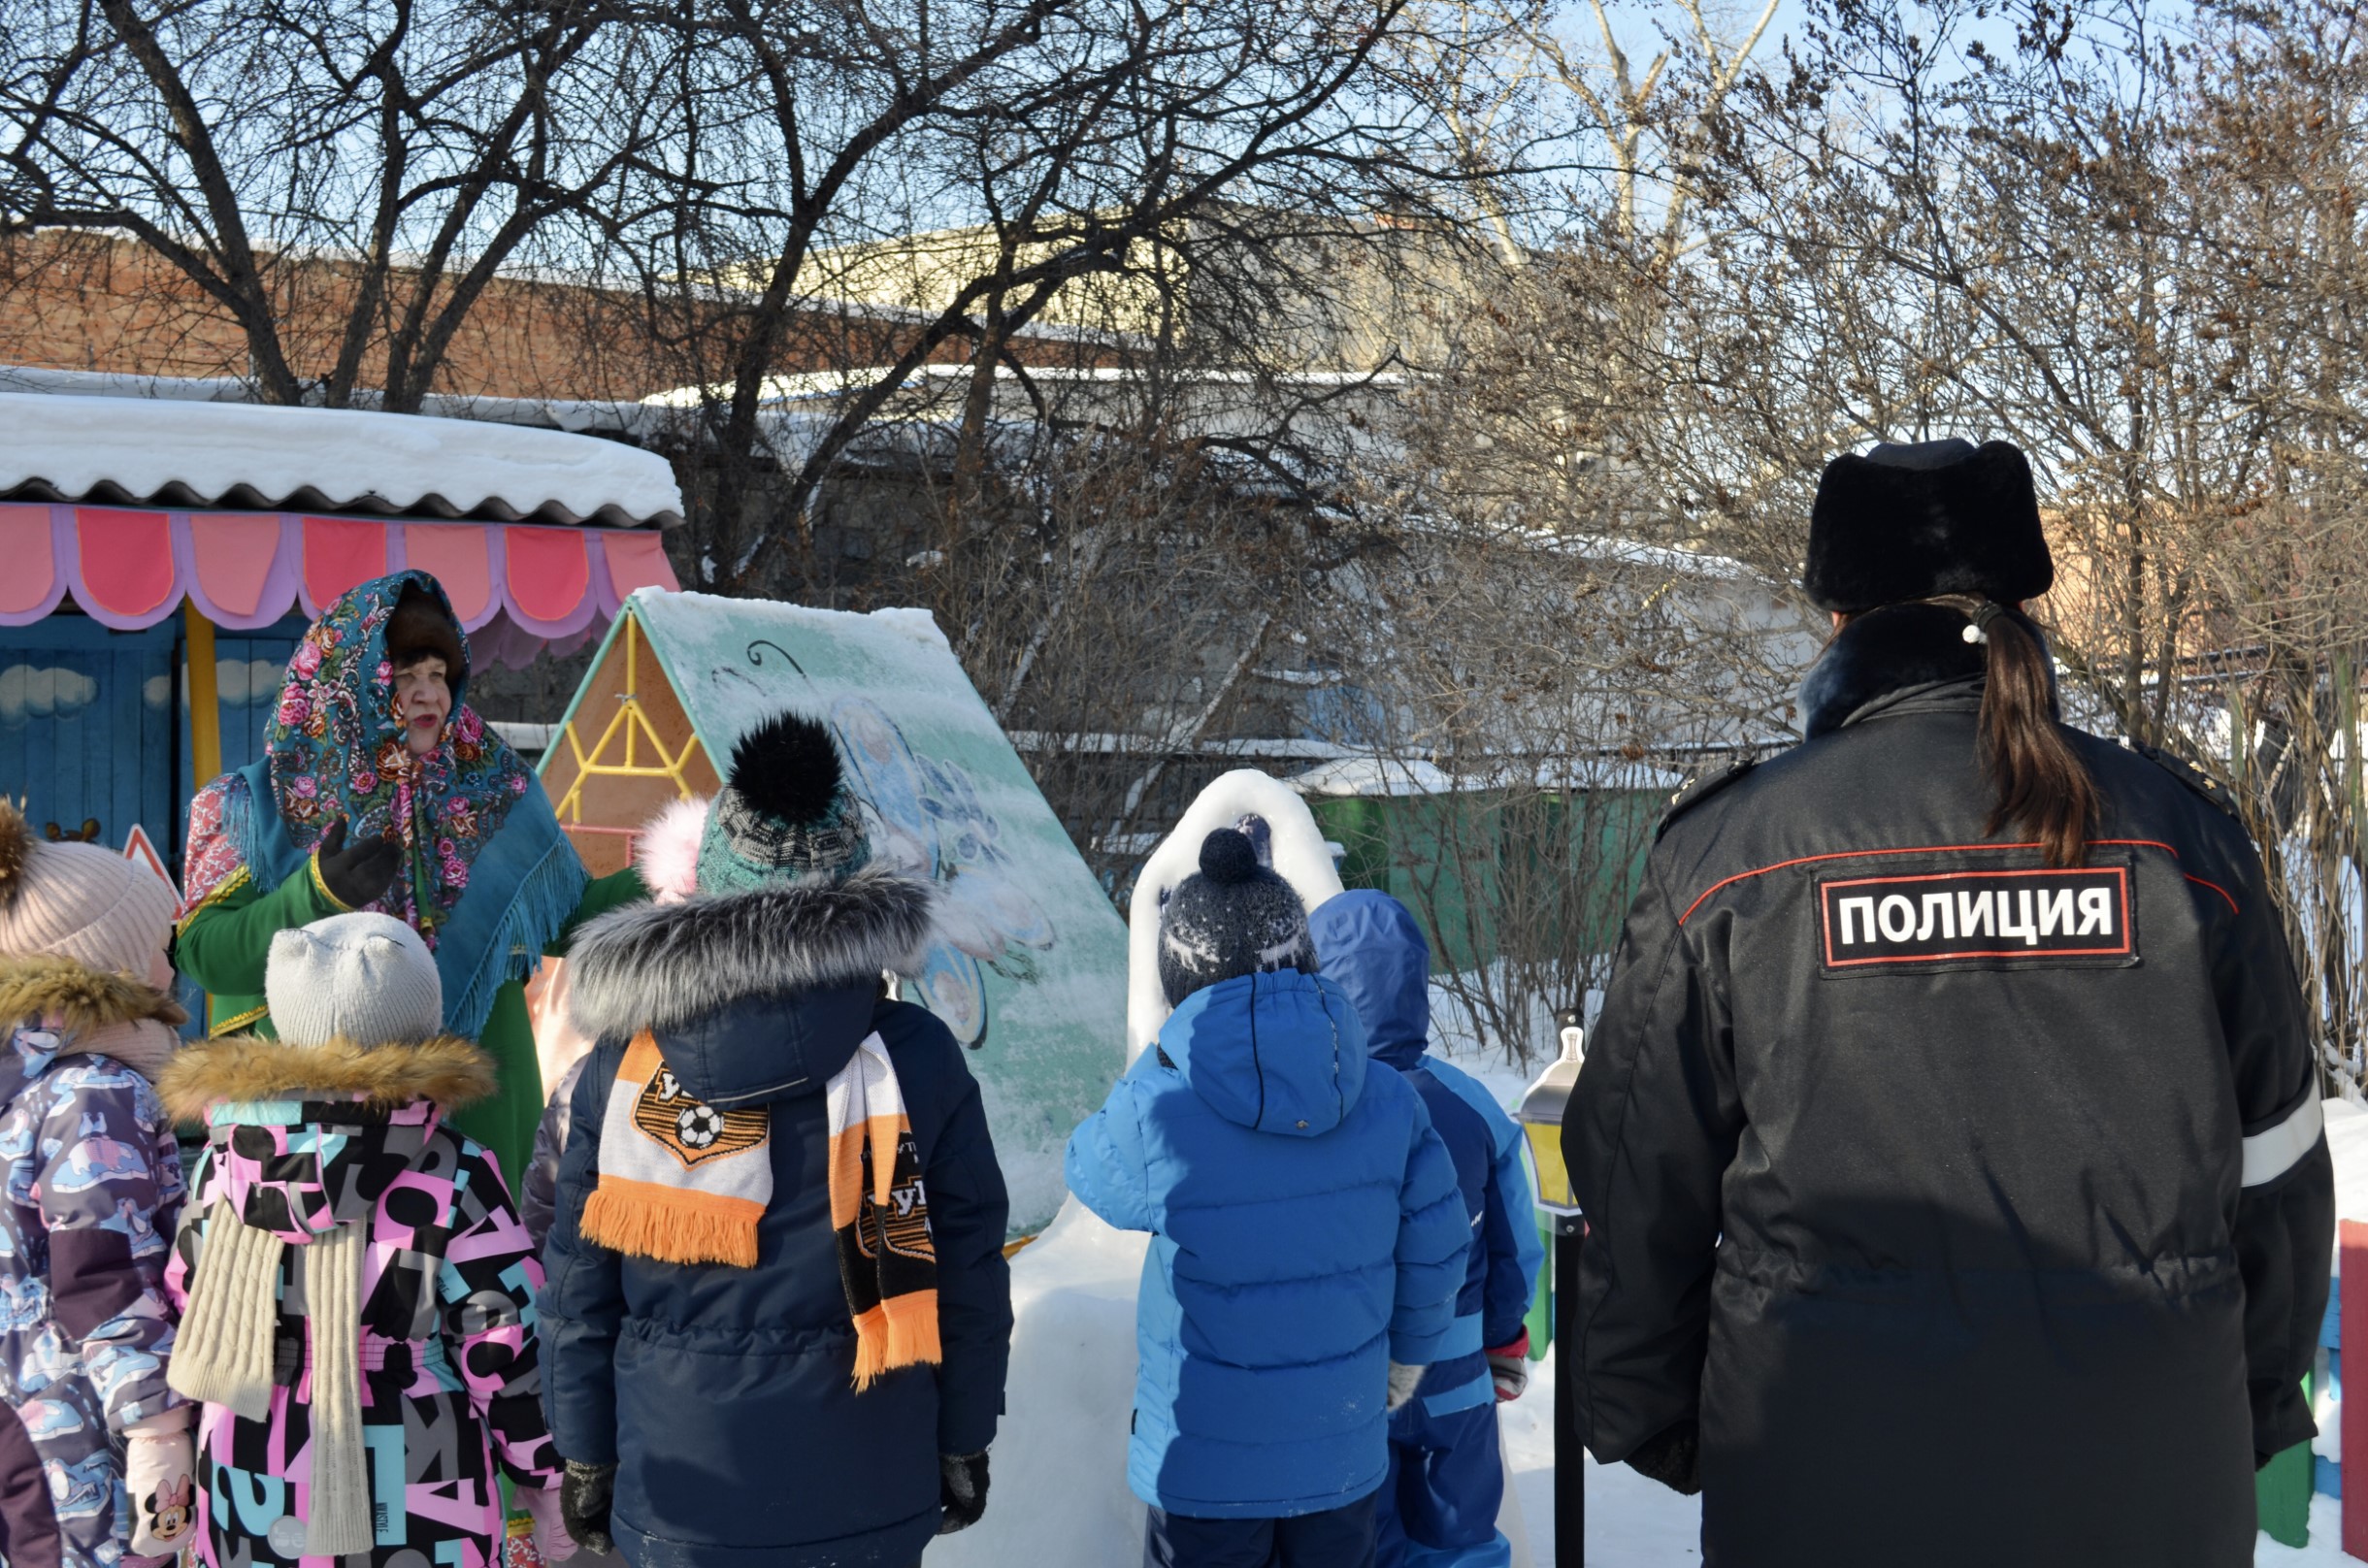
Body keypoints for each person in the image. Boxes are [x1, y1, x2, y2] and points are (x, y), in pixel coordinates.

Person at [1564, 438, 2334, 1567]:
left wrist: (1655, 1410)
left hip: (1826, 1470)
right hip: (2149, 1468)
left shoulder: (1734, 853)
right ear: (2023, 606)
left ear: (1839, 619)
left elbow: (1639, 1179)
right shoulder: (2183, 836)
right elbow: (2280, 1169)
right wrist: (2242, 1402)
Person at [541, 709, 1012, 1568]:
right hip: (870, 1479)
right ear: (855, 896)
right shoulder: (916, 1059)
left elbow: (580, 1283)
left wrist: (585, 1454)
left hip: (681, 1487)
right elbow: (969, 1272)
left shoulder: (628, 1063)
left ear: (710, 888)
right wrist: (963, 1438)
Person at [1066, 828, 1471, 1568]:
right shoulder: (1386, 1097)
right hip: (1339, 1445)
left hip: (1203, 1462)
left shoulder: (1160, 1106)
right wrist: (1403, 1365)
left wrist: (1163, 1054)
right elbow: (1439, 1251)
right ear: (1303, 957)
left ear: (1180, 980)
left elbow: (1091, 1173)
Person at [176, 571, 647, 1183]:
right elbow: (204, 954)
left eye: (439, 674)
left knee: (479, 1249)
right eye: (403, 676)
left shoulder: (495, 786)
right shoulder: (249, 806)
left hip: (477, 1112)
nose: (430, 695)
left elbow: (570, 917)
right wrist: (313, 895)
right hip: (319, 1122)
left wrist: (676, 865)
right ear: (346, 683)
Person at [159, 912, 568, 1568]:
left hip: (248, 1462)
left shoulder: (222, 1162)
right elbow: (503, 1339)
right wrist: (544, 1474)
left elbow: (187, 1294)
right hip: (421, 1480)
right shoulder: (456, 1170)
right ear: (422, 1026)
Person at [1310, 891, 1542, 1568]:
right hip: (1457, 1369)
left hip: (1352, 1374)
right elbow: (1512, 1241)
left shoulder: (1313, 1107)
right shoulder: (1471, 1105)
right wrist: (1504, 1337)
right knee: (1460, 1536)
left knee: (1364, 1540)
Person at [0, 799, 195, 1568]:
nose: (173, 955)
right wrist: (157, 1429)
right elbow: (102, 1274)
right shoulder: (95, 1092)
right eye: (159, 938)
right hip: (85, 1434)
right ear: (112, 961)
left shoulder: (28, 1083)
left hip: (26, 1420)